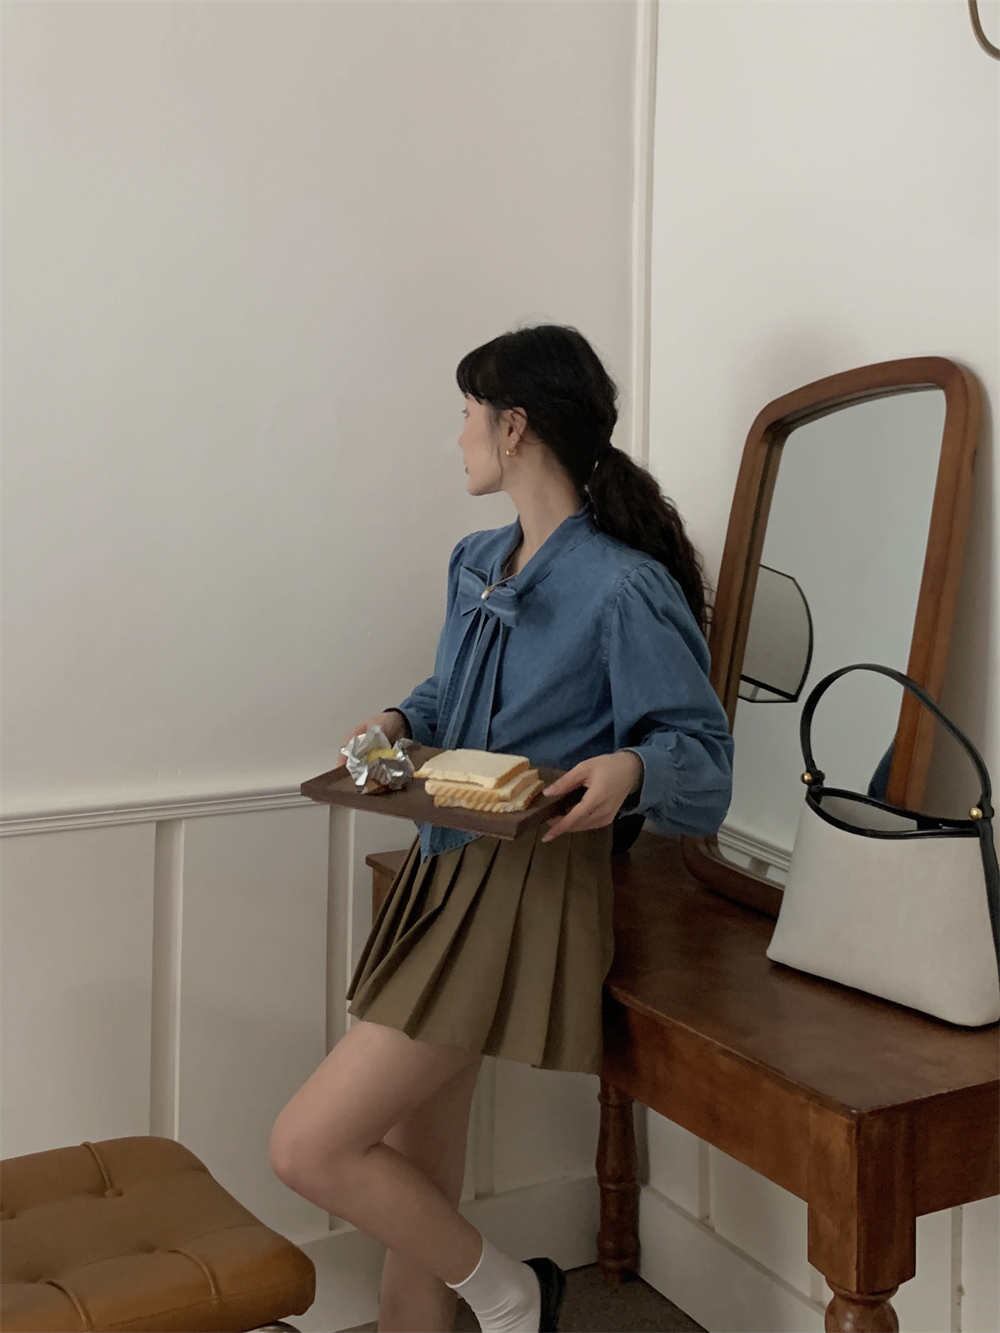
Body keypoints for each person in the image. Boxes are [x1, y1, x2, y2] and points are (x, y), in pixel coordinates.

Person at [269, 324, 735, 1333]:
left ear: (514, 426)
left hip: (526, 889)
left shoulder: (622, 586)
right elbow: (452, 693)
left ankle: (511, 1293)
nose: (459, 436)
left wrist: (630, 767)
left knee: (308, 1145)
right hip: (441, 869)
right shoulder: (476, 560)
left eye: (468, 414)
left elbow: (703, 753)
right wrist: (399, 720)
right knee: (419, 1160)